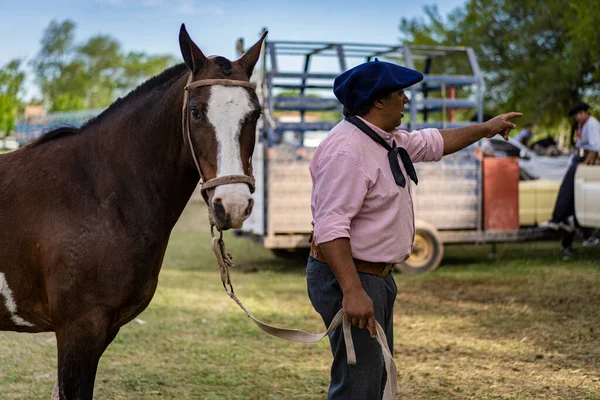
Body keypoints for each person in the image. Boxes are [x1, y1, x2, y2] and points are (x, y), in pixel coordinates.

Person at [306, 59, 522, 400]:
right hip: (354, 276)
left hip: (373, 276)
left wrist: (486, 128)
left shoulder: (386, 139)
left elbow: (436, 141)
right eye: (400, 94)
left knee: (373, 375)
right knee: (359, 384)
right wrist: (352, 290)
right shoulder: (347, 149)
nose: (406, 100)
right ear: (378, 101)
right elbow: (331, 228)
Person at [540, 102, 600, 257]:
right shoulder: (581, 126)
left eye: (581, 113)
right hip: (579, 159)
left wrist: (585, 166)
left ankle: (558, 218)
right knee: (573, 202)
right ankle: (580, 233)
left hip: (585, 162)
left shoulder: (591, 125)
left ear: (587, 113)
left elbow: (594, 148)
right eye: (576, 114)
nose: (578, 116)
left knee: (570, 195)